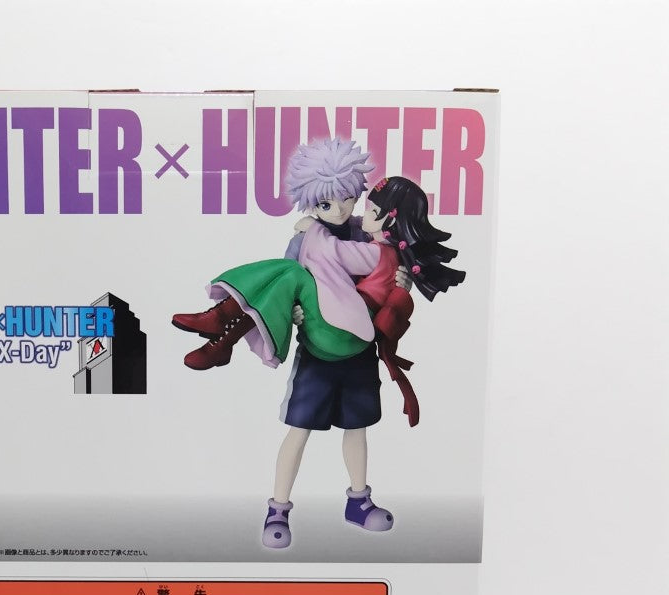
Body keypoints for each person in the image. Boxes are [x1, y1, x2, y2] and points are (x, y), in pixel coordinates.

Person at [171, 138, 464, 548]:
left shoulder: (364, 237)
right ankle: (278, 507)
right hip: (319, 346)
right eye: (326, 204)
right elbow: (283, 284)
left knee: (357, 427)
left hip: (358, 347)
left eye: (349, 198)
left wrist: (402, 284)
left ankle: (358, 501)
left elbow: (358, 264)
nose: (340, 210)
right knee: (299, 429)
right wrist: (291, 310)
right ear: (311, 202)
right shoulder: (323, 238)